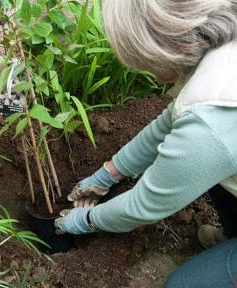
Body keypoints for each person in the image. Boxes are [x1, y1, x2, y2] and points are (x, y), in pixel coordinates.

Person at [53, 1, 237, 287]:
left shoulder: (211, 118)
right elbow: (169, 124)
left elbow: (143, 206)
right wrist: (109, 173)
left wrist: (83, 220)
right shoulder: (223, 48)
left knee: (182, 285)